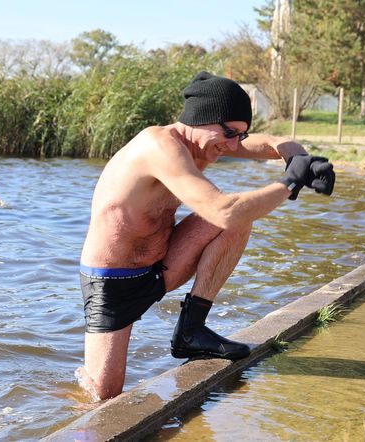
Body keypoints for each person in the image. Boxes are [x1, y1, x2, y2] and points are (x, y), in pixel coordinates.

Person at [77, 71, 335, 400]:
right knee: (103, 395)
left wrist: (305, 161)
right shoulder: (159, 146)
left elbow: (273, 145)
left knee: (242, 219)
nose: (232, 146)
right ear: (201, 119)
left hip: (161, 266)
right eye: (229, 133)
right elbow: (221, 210)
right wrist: (287, 184)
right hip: (113, 283)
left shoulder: (206, 142)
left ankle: (191, 330)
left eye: (240, 135)